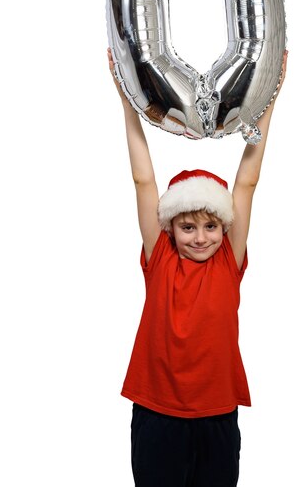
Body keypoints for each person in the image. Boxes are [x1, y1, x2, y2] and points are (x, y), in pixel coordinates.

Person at [107, 47, 288, 487]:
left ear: (224, 227)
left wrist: (271, 95)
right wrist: (125, 99)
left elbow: (247, 180)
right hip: (157, 412)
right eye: (188, 226)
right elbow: (143, 179)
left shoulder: (229, 259)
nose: (201, 236)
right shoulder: (161, 257)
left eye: (210, 225)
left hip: (216, 415)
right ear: (170, 227)